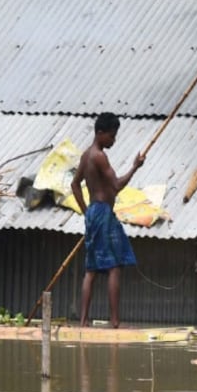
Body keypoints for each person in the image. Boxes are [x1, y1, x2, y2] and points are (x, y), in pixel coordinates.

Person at [71, 112, 145, 328]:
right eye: (112, 136)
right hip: (102, 213)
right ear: (100, 133)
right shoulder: (99, 157)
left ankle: (83, 321)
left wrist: (87, 211)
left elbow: (75, 184)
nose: (114, 140)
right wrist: (135, 167)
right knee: (114, 267)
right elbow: (116, 185)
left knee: (92, 269)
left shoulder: (86, 156)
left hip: (94, 212)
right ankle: (115, 322)